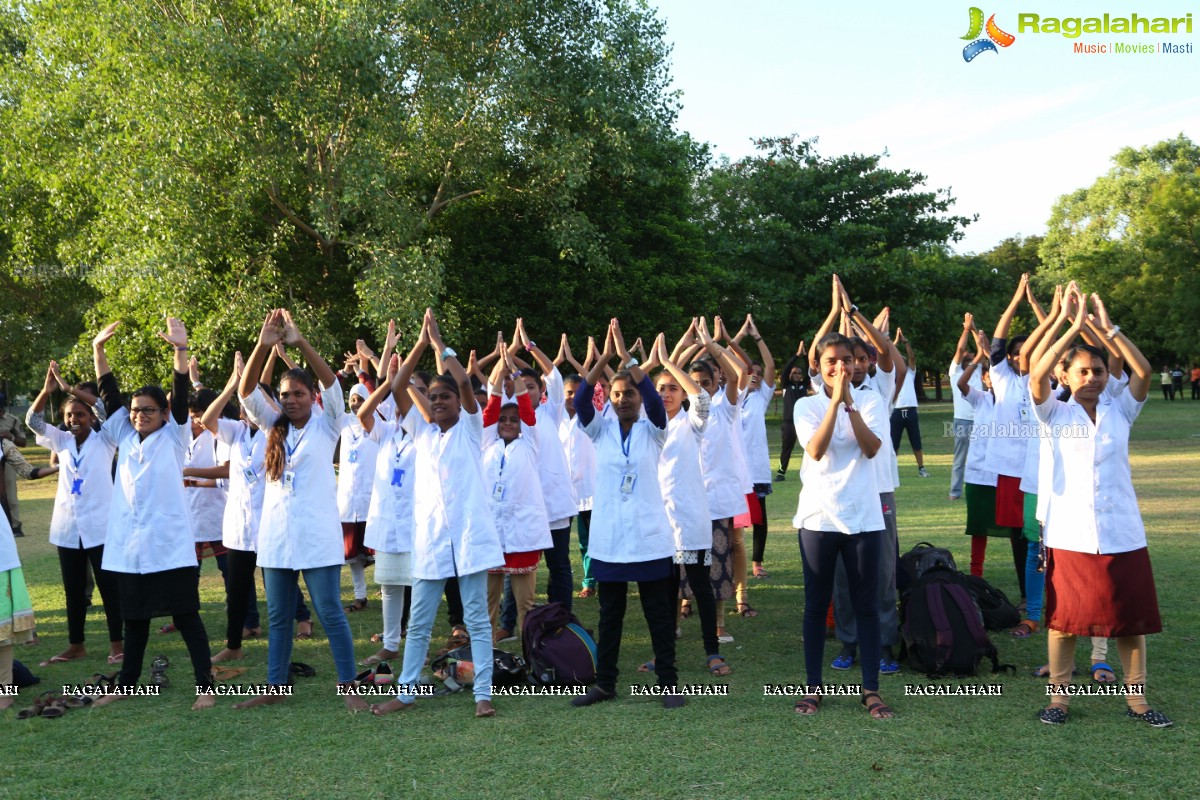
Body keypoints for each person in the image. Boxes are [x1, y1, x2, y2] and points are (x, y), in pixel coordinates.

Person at [1031, 287, 1171, 728]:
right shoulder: (1054, 413)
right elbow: (1036, 375)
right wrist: (1070, 326)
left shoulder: (1121, 411)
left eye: (1098, 371)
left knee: (1130, 622)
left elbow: (1143, 371)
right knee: (1064, 621)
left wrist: (1108, 329)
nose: (1093, 377)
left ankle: (1138, 702)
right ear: (1067, 377)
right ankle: (1059, 701)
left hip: (1121, 532)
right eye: (1083, 371)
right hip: (1070, 533)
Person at [372, 310, 504, 718]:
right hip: (430, 540)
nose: (440, 401)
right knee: (420, 622)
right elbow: (395, 386)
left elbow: (464, 380)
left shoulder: (470, 427)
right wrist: (416, 346)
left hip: (468, 537)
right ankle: (407, 691)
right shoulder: (423, 434)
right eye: (433, 397)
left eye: (444, 397)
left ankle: (484, 693)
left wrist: (439, 343)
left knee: (477, 620)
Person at [234, 310, 367, 711]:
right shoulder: (273, 426)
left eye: (299, 394)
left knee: (329, 613)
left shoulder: (329, 423)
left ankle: (349, 687)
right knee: (278, 617)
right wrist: (262, 344)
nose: (291, 400)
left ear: (313, 398)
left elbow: (331, 382)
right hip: (276, 537)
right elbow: (245, 393)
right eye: (286, 395)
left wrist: (299, 342)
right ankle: (276, 687)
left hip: (317, 534)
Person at [91, 319, 216, 710]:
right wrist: (99, 352)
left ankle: (206, 686)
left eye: (148, 410)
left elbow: (180, 395)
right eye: (135, 410)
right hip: (130, 547)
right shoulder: (124, 435)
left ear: (163, 413)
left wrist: (180, 351)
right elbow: (109, 395)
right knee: (135, 622)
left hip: (168, 545)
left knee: (187, 619)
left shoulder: (175, 434)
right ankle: (127, 684)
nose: (139, 415)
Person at [570, 321, 684, 709]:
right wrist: (603, 359)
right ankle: (605, 684)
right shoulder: (598, 430)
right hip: (609, 539)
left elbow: (654, 398)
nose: (623, 399)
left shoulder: (654, 429)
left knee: (658, 615)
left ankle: (668, 684)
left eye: (629, 393)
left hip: (649, 537)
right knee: (610, 616)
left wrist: (629, 360)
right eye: (617, 394)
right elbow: (582, 401)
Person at [791, 332, 892, 720]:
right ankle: (813, 688)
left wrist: (850, 405)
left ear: (857, 362)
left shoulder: (871, 400)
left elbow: (871, 448)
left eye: (847, 360)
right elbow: (815, 450)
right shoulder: (806, 405)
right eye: (831, 360)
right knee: (816, 605)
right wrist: (833, 403)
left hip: (864, 517)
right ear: (818, 365)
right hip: (818, 517)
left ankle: (870, 690)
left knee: (866, 606)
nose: (840, 367)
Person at [636, 333, 729, 677]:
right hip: (657, 522)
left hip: (690, 519)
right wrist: (651, 365)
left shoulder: (692, 423)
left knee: (701, 588)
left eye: (672, 388)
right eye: (660, 388)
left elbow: (701, 397)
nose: (666, 393)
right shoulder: (644, 426)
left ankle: (712, 651)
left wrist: (670, 362)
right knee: (662, 593)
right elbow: (626, 385)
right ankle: (663, 655)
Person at [26, 361, 124, 666]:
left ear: (90, 416)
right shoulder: (61, 439)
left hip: (100, 525)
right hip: (68, 527)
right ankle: (76, 645)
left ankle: (117, 645)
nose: (73, 420)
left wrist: (71, 390)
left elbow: (109, 411)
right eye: (69, 415)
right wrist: (46, 391)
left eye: (79, 414)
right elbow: (32, 420)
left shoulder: (106, 438)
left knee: (109, 588)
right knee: (72, 590)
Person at [355, 338, 427, 667]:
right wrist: (385, 382)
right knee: (389, 585)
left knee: (420, 587)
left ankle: (416, 642)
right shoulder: (386, 431)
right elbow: (363, 412)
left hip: (415, 522)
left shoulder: (426, 430)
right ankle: (390, 643)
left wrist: (406, 385)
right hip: (386, 521)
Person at [481, 345, 550, 638]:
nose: (508, 423)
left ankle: (529, 653)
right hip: (491, 531)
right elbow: (491, 406)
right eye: (503, 419)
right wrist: (500, 368)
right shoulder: (486, 442)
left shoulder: (530, 442)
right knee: (487, 602)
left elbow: (526, 408)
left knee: (526, 604)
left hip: (523, 529)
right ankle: (484, 656)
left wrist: (515, 371)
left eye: (514, 420)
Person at [731, 315, 775, 583]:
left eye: (758, 374)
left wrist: (756, 336)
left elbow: (770, 364)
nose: (756, 376)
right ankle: (732, 563)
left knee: (759, 518)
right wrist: (736, 336)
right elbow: (723, 356)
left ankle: (757, 563)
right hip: (732, 469)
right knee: (731, 522)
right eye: (751, 373)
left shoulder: (762, 398)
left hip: (756, 469)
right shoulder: (730, 399)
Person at [948, 313, 981, 501]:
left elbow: (982, 350)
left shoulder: (978, 370)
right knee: (960, 459)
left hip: (980, 419)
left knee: (980, 458)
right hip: (962, 420)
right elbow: (960, 349)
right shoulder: (955, 372)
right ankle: (955, 492)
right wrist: (966, 330)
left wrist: (974, 328)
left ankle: (977, 490)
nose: (969, 355)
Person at [890, 329, 928, 478]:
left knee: (916, 441)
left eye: (902, 359)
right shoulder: (891, 375)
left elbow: (912, 356)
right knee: (894, 443)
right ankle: (892, 470)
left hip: (911, 410)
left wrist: (905, 342)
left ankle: (921, 468)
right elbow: (886, 356)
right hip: (896, 411)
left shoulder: (910, 373)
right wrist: (894, 344)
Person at [775, 340, 809, 482]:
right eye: (794, 373)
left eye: (799, 373)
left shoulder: (804, 385)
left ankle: (812, 473)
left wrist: (806, 357)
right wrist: (796, 355)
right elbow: (785, 371)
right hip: (789, 424)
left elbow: (810, 371)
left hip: (804, 422)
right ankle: (781, 473)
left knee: (810, 448)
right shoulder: (786, 385)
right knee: (786, 449)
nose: (796, 374)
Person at [0, 396, 28, 537]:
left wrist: (9, 437)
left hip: (7, 460)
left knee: (10, 494)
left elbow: (23, 442)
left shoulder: (12, 420)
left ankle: (15, 526)